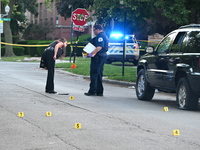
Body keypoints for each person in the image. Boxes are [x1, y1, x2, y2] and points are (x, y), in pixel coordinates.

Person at [84, 24, 109, 96]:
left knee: (94, 73)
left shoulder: (100, 36)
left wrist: (90, 54)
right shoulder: (104, 35)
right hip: (102, 56)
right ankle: (99, 91)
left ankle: (92, 91)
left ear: (98, 29)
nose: (94, 32)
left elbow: (99, 47)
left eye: (94, 30)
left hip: (98, 56)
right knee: (99, 74)